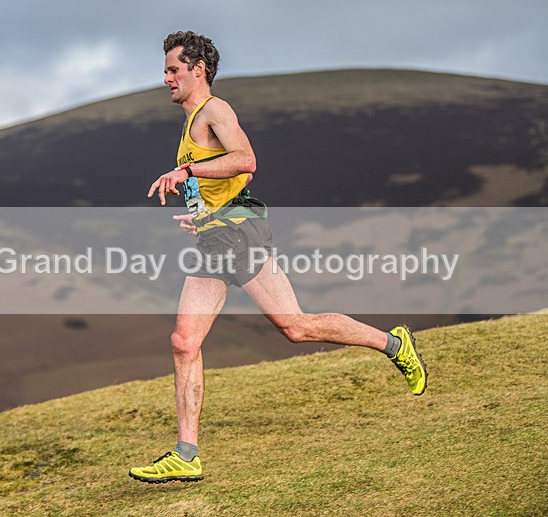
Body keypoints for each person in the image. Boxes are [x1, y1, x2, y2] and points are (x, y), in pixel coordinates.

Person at [129, 31, 427, 484]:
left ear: (198, 70)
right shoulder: (190, 124)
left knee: (295, 327)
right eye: (166, 68)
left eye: (173, 68)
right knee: (183, 341)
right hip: (215, 239)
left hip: (241, 235)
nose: (165, 76)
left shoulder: (215, 110)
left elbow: (246, 159)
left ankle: (394, 343)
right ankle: (186, 454)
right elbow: (219, 183)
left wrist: (187, 170)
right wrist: (202, 213)